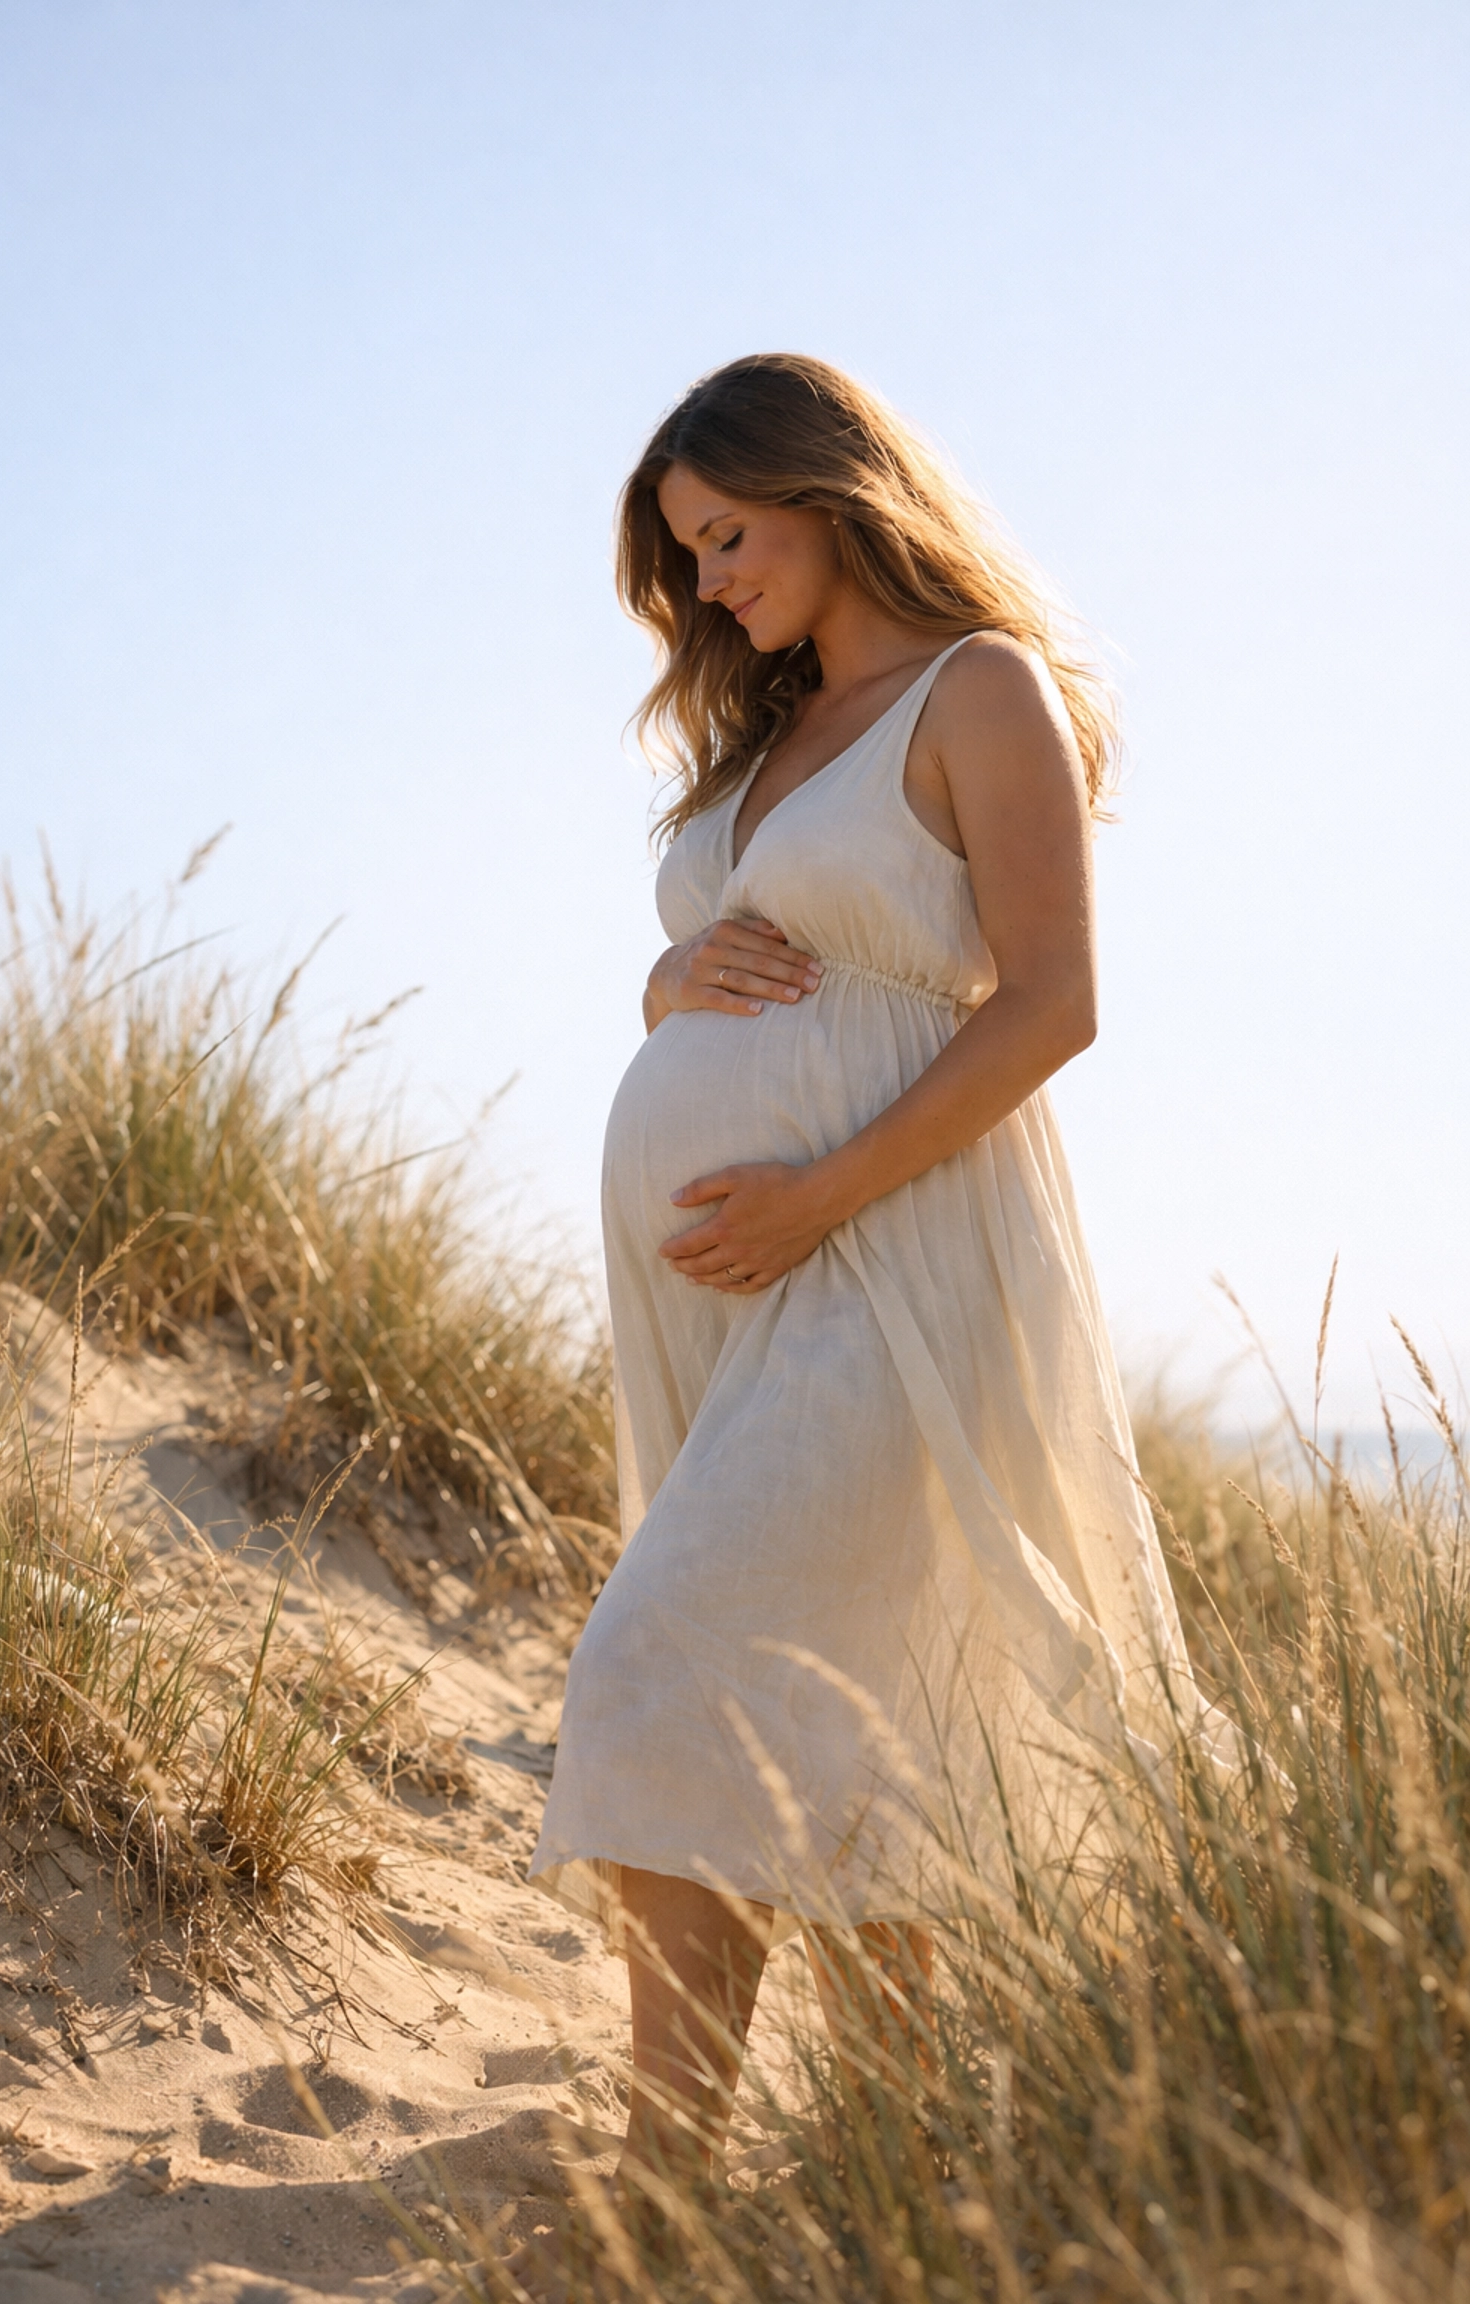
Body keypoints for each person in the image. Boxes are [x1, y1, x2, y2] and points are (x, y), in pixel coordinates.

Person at [530, 352, 1213, 2184]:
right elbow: (707, 965)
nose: (711, 585)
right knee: (840, 1701)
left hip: (893, 1251)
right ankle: (894, 2169)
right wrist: (666, 988)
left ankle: (668, 2185)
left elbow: (1055, 1005)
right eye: (685, 559)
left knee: (663, 1668)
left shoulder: (976, 692)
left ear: (830, 491)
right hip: (720, 1287)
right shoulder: (762, 740)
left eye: (728, 537)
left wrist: (817, 1193)